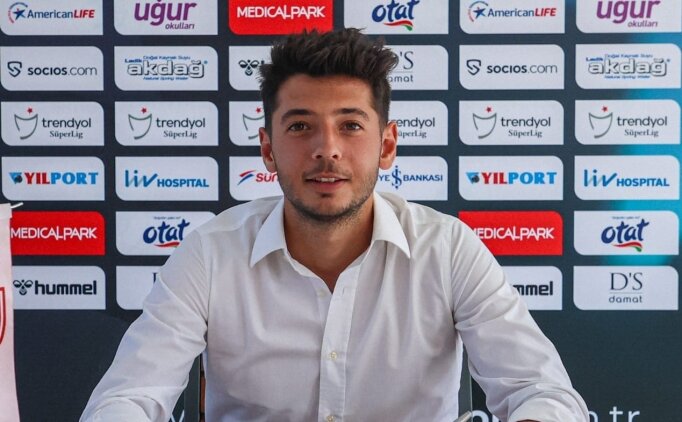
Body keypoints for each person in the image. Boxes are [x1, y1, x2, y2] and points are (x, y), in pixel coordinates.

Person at [81, 28, 588, 422]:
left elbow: (541, 391)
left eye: (350, 125)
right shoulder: (210, 254)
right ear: (267, 149)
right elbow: (131, 397)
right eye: (301, 126)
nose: (327, 149)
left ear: (386, 145)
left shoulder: (448, 248)